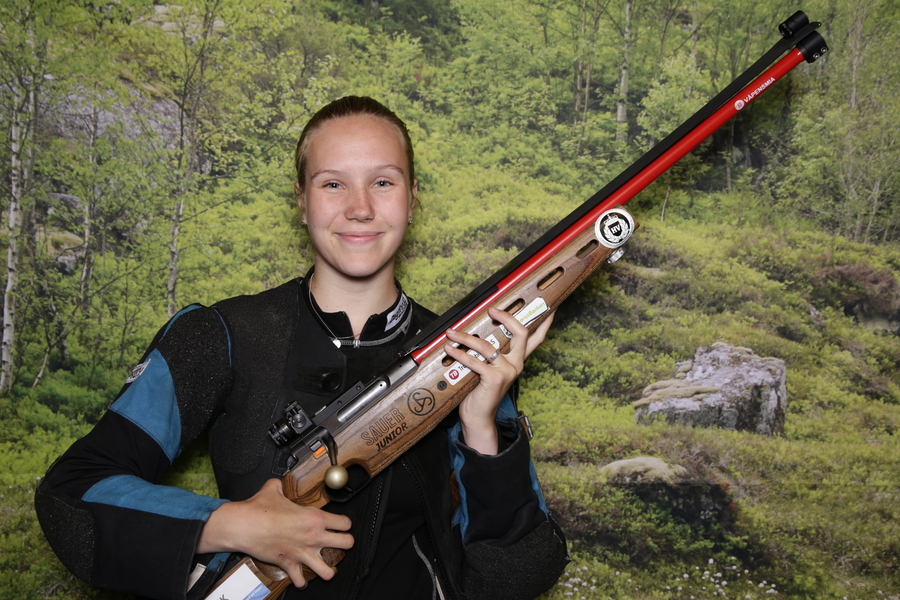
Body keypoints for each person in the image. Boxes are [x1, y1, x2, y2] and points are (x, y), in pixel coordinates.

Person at [35, 96, 569, 600]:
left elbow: (516, 577)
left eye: (383, 182)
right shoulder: (220, 335)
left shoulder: (465, 353)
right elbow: (72, 496)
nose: (360, 208)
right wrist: (233, 524)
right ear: (301, 200)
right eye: (333, 184)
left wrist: (481, 429)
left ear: (412, 199)